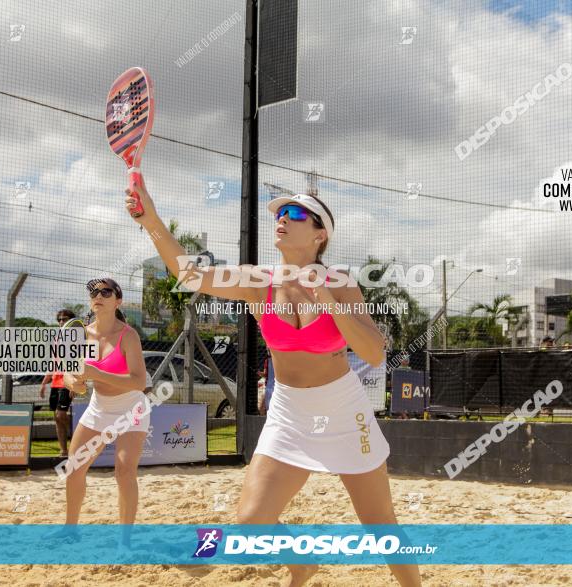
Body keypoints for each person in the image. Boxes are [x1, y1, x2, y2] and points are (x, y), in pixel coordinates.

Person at [126, 180, 421, 587]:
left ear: (321, 234)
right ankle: (302, 564)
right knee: (251, 523)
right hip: (289, 412)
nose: (283, 218)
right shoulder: (257, 281)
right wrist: (151, 219)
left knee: (381, 526)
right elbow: (188, 274)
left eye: (296, 214)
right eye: (281, 213)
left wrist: (331, 305)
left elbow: (373, 352)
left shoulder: (341, 283)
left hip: (342, 409)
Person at [52, 278, 149, 545]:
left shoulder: (128, 335)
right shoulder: (81, 334)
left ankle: (124, 541)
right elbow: (70, 377)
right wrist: (77, 383)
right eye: (94, 292)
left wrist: (96, 373)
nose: (98, 295)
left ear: (118, 301)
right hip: (99, 407)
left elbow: (139, 381)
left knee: (125, 471)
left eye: (106, 292)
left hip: (131, 408)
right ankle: (71, 529)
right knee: (74, 468)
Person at [39, 309, 77, 457]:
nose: (61, 322)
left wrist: (75, 383)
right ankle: (64, 450)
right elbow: (54, 362)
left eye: (65, 319)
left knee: (61, 415)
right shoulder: (57, 339)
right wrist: (44, 383)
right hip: (55, 382)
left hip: (67, 382)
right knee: (56, 417)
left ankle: (78, 437)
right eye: (59, 319)